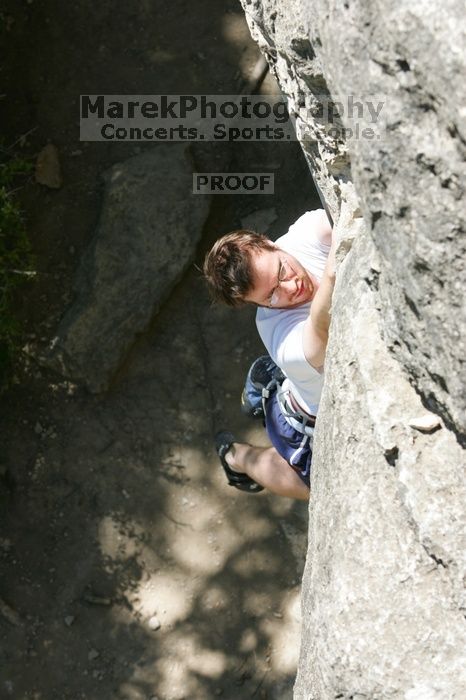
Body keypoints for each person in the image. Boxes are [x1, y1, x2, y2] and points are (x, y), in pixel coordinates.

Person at [203, 209, 337, 500]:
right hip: (300, 425)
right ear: (252, 303)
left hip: (297, 385)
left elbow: (338, 219)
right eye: (271, 295)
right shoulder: (275, 329)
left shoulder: (303, 235)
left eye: (281, 271)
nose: (291, 287)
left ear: (270, 242)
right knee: (319, 489)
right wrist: (331, 274)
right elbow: (317, 339)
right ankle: (236, 457)